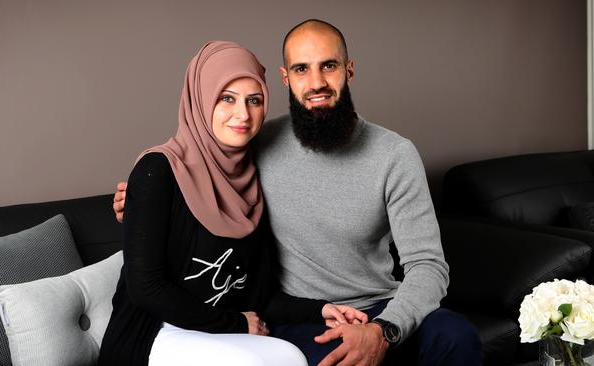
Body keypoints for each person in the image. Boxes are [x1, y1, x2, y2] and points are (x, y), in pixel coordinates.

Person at [114, 21, 482, 366]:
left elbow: (428, 266)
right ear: (286, 78)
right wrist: (137, 199)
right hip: (301, 316)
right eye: (302, 69)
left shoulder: (394, 155)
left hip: (381, 307)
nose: (317, 81)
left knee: (457, 336)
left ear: (349, 70)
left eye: (329, 66)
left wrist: (384, 330)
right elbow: (200, 163)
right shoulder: (257, 142)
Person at [99, 40, 368, 366]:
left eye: (253, 101)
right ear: (200, 99)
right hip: (153, 330)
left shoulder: (252, 181)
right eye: (227, 99)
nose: (243, 114)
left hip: (218, 329)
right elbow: (145, 288)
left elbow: (256, 296)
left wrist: (320, 309)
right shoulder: (159, 169)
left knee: (290, 356)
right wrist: (238, 323)